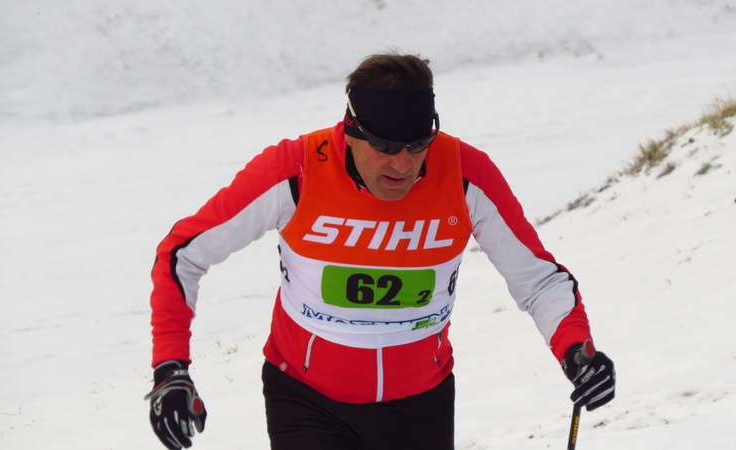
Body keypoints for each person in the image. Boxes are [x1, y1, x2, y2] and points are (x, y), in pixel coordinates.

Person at [145, 52, 616, 450]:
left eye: (418, 144)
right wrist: (171, 369)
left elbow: (538, 280)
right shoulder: (297, 171)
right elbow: (183, 254)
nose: (403, 164)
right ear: (351, 130)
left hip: (420, 405)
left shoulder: (464, 174)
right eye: (387, 146)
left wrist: (576, 349)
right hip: (308, 399)